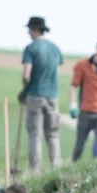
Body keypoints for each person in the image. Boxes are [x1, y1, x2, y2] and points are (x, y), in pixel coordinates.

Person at [19, 16, 63, 173]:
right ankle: (56, 167)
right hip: (52, 95)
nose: (28, 33)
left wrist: (24, 91)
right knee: (52, 134)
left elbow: (26, 75)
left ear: (35, 30)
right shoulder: (55, 49)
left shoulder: (31, 48)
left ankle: (35, 170)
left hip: (35, 94)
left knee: (35, 135)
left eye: (30, 30)